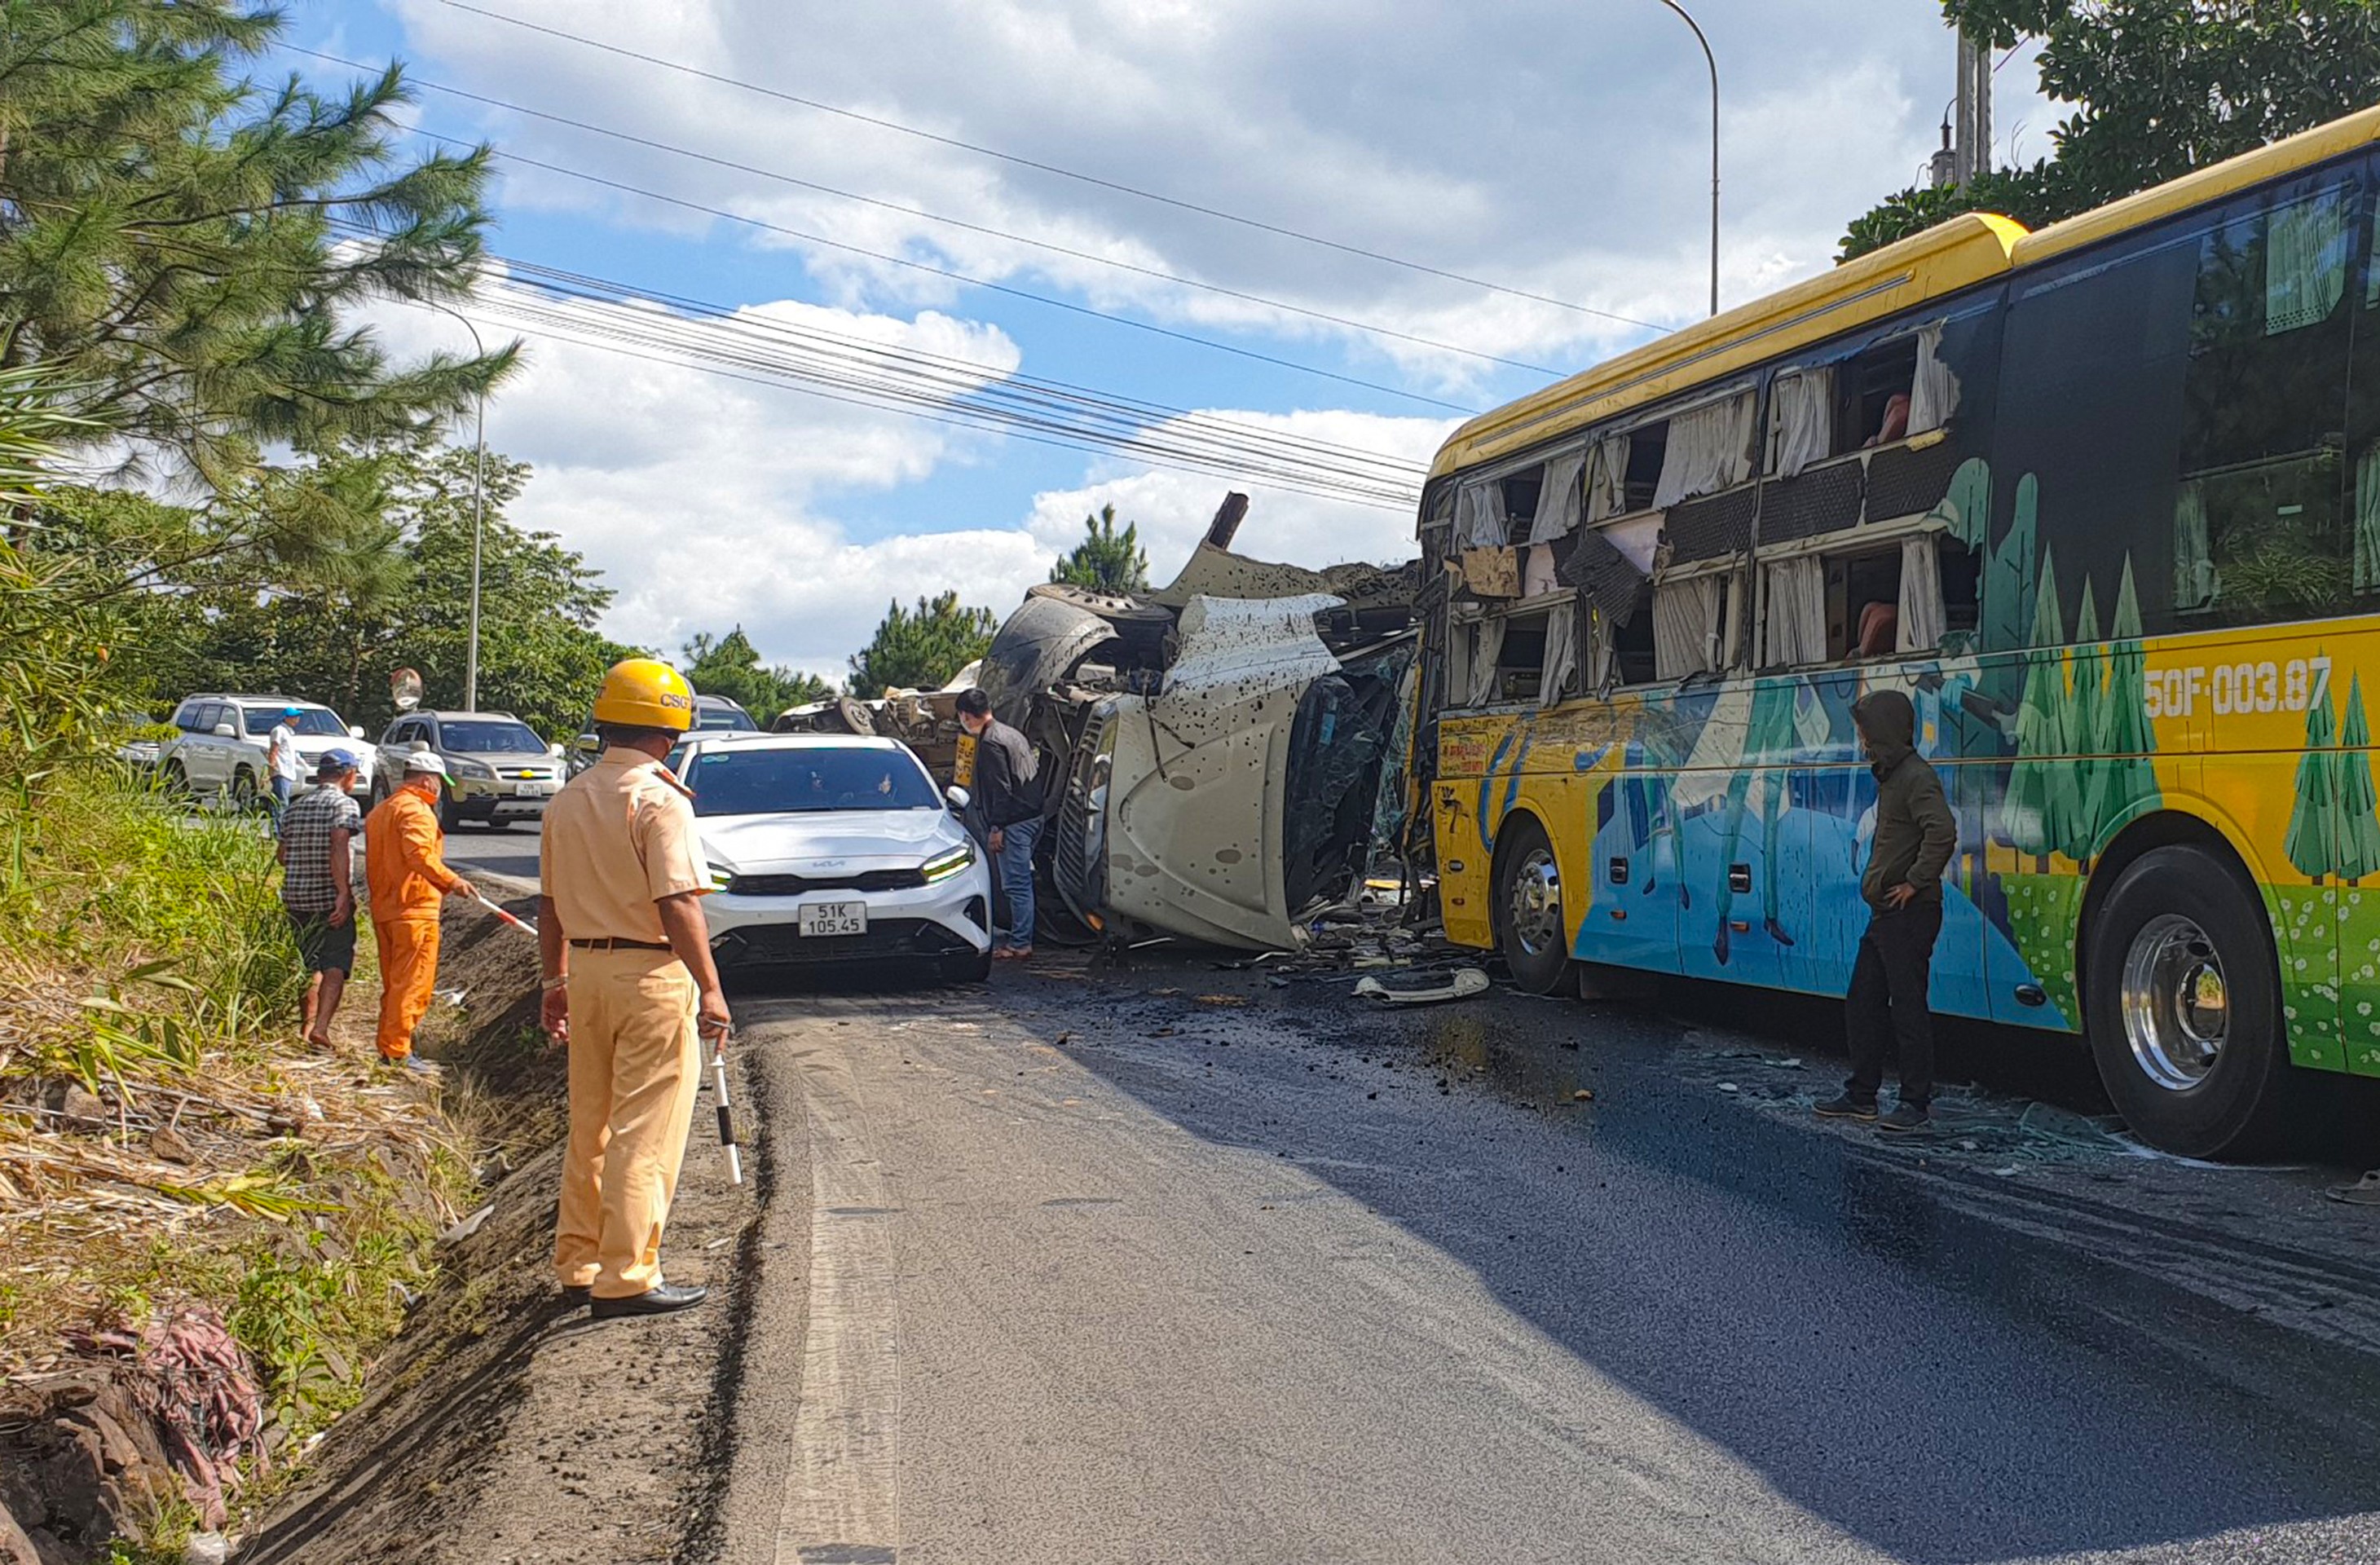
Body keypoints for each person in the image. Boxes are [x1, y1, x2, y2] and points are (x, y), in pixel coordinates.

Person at [538, 658, 729, 1319]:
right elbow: (678, 902)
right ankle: (627, 1275)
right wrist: (710, 987)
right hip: (649, 975)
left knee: (590, 1125)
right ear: (670, 733)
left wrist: (553, 978)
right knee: (646, 1130)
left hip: (587, 972)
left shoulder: (568, 799)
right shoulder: (659, 801)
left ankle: (580, 1262)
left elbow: (551, 904)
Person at [1817, 688, 1955, 1132]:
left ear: (1885, 733)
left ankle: (1914, 1103)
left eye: (1866, 733)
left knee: (1907, 1007)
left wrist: (1914, 883)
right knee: (1863, 1000)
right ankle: (1862, 1096)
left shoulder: (1916, 777)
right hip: (1885, 916)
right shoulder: (1893, 777)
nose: (1862, 742)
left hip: (1909, 915)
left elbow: (1943, 832)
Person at [364, 747, 476, 1073]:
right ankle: (398, 1051)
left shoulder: (381, 811)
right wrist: (452, 881)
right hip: (414, 908)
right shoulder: (417, 812)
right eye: (440, 783)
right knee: (412, 983)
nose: (440, 789)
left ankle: (389, 1046)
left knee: (394, 983)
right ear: (428, 780)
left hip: (386, 907)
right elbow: (419, 856)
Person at [278, 749, 364, 1048]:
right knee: (335, 964)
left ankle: (306, 1028)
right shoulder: (345, 805)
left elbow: (282, 856)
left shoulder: (295, 808)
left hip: (296, 898)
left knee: (307, 964)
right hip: (329, 898)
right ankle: (321, 1029)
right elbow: (339, 845)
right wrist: (343, 893)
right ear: (349, 774)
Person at [954, 687, 1044, 960]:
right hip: (1033, 816)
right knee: (1022, 882)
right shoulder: (1011, 734)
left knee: (1016, 885)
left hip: (1013, 823)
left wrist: (996, 828)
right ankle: (1022, 937)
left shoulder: (991, 742)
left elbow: (1001, 790)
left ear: (966, 716)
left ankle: (1020, 943)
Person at [265, 704, 304, 834]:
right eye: (293, 717)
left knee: (281, 802)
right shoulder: (279, 730)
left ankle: (278, 830)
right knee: (281, 803)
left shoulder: (289, 732)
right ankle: (278, 832)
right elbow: (274, 750)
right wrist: (271, 769)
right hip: (281, 771)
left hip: (288, 772)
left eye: (297, 717)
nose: (296, 720)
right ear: (286, 718)